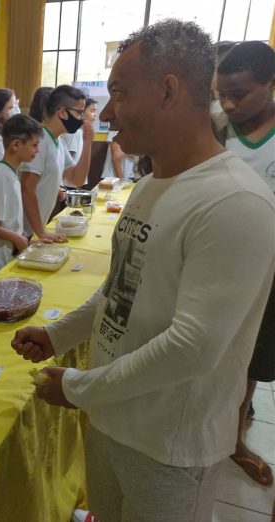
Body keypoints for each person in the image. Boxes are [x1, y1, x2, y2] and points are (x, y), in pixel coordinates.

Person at [12, 19, 275, 521]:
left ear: (168, 90)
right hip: (112, 418)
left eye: (119, 93)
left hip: (169, 447)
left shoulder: (235, 201)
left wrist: (77, 387)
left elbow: (191, 347)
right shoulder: (150, 187)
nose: (108, 112)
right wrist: (58, 334)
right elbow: (119, 291)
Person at [216, 40, 275, 487]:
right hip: (216, 259)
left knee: (252, 358)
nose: (229, 105)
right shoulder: (216, 128)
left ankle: (234, 438)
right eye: (221, 95)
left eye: (239, 94)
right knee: (210, 348)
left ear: (271, 84)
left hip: (268, 268)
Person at [20, 85, 93, 241]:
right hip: (22, 230)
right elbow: (27, 189)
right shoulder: (39, 139)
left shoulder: (59, 142)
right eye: (79, 113)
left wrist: (87, 143)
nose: (81, 119)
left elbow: (77, 179)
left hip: (34, 229)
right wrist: (40, 232)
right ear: (62, 112)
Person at [0, 114, 41, 285]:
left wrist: (24, 238)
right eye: (34, 145)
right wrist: (17, 239)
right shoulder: (1, 175)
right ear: (16, 145)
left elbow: (9, 220)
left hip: (7, 256)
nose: (37, 151)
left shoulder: (10, 173)